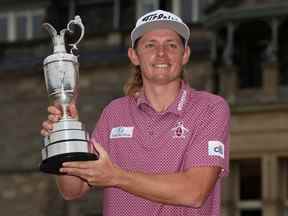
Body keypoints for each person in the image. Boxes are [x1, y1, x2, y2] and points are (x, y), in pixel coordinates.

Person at [41, 9, 230, 216]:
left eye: (171, 45)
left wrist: (117, 176)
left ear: (185, 55)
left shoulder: (210, 107)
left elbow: (194, 192)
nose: (161, 53)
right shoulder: (115, 112)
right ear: (134, 55)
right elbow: (73, 190)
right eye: (150, 45)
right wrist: (66, 138)